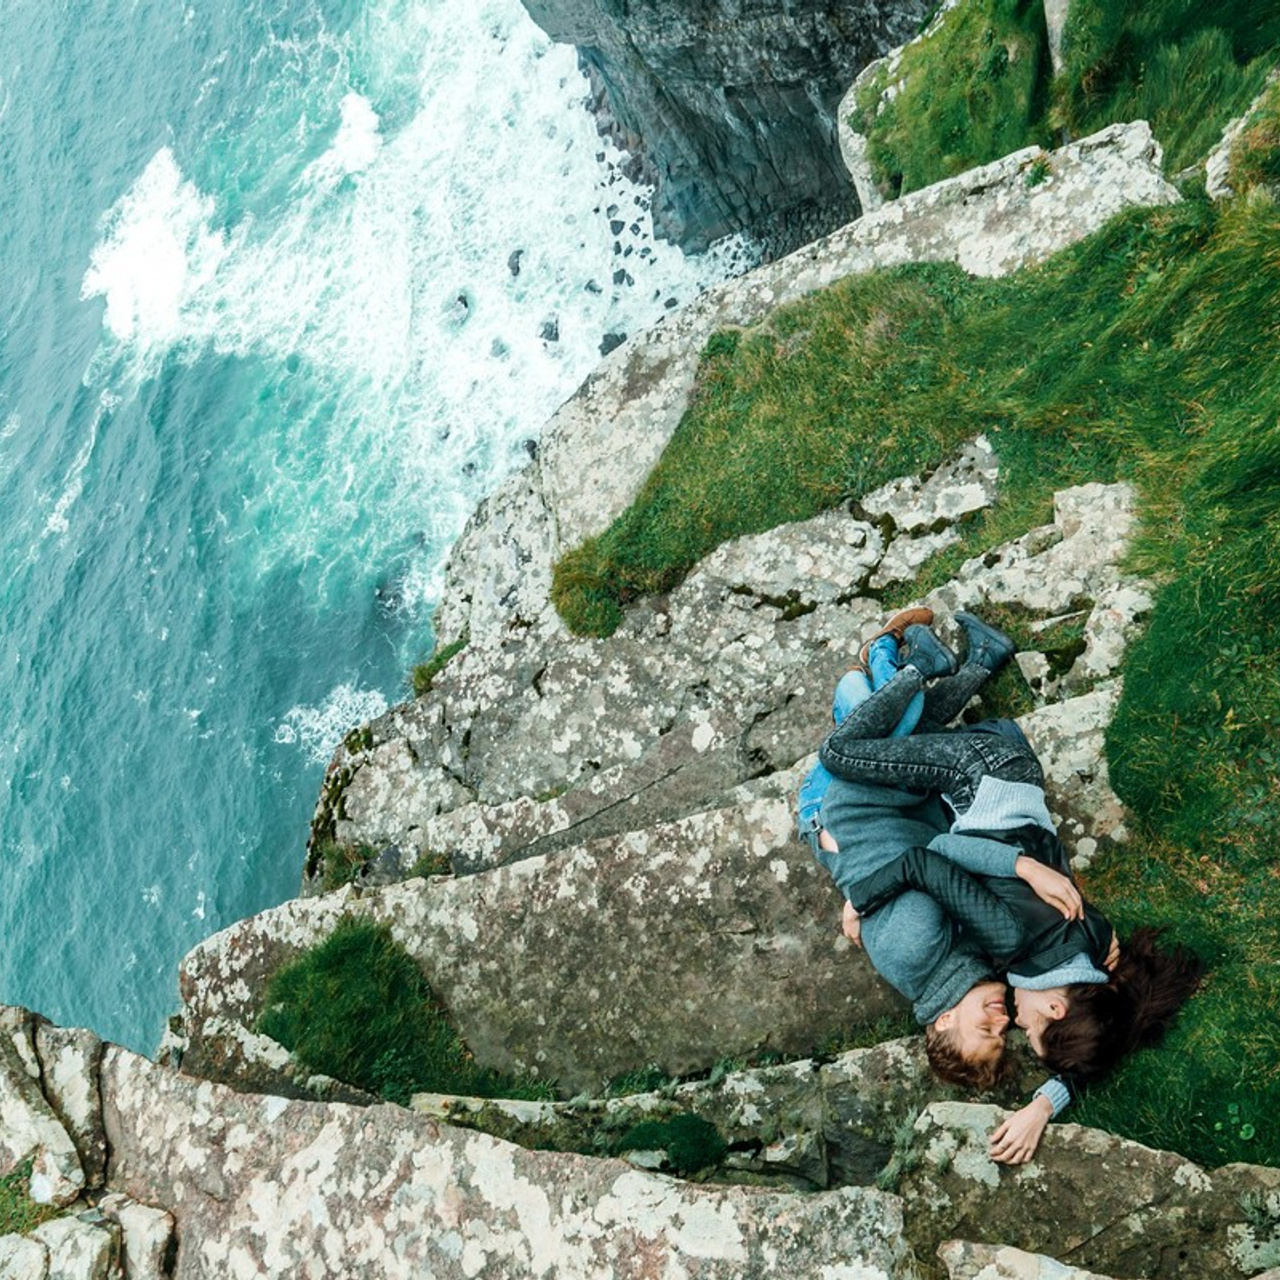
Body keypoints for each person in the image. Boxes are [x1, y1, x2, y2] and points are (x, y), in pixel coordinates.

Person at [816, 617, 1201, 1156]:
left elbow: (1099, 1048)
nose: (1013, 1023)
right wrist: (1020, 868)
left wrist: (1043, 1105)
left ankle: (969, 660)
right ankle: (915, 664)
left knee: (884, 735)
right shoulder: (1009, 949)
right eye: (1023, 1031)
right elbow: (935, 855)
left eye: (998, 1032)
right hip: (975, 776)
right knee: (846, 747)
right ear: (1056, 1010)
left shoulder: (1095, 960)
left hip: (1001, 772)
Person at [802, 608, 1085, 1162]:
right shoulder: (966, 968)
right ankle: (971, 659)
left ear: (944, 1021)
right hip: (909, 814)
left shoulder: (919, 948)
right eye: (1005, 1034)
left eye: (984, 1032)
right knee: (902, 726)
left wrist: (859, 898)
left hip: (848, 807)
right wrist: (1043, 1105)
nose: (1001, 1022)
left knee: (866, 711)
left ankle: (902, 661)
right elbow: (1092, 1048)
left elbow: (924, 860)